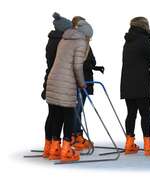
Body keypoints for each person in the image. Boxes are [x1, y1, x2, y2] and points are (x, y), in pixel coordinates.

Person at [46, 18, 93, 162]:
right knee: (69, 115)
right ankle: (66, 150)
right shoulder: (81, 43)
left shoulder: (64, 39)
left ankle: (54, 148)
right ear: (85, 35)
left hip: (53, 80)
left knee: (56, 115)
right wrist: (82, 83)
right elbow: (77, 66)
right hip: (66, 83)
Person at [121, 16, 150, 156]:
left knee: (131, 113)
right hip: (141, 83)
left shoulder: (128, 41)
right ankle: (148, 145)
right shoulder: (144, 41)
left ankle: (129, 143)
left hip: (127, 83)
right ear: (144, 26)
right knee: (145, 114)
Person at [71, 16, 105, 151]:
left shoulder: (84, 44)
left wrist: (94, 67)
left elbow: (90, 61)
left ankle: (77, 134)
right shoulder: (79, 44)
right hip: (80, 80)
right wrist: (91, 65)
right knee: (76, 109)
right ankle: (74, 136)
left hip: (85, 78)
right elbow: (80, 63)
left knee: (78, 109)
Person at [42, 12, 72, 158]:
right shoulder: (62, 43)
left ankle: (49, 146)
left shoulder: (51, 41)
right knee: (63, 115)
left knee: (52, 114)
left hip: (50, 80)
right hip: (61, 81)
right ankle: (58, 148)